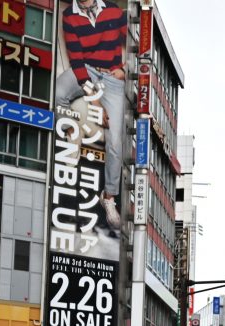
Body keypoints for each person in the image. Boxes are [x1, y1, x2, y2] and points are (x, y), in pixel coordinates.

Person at [56, 0, 128, 232]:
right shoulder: (70, 16)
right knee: (57, 93)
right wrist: (96, 101)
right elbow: (76, 61)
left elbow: (139, 46)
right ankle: (70, 132)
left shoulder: (115, 10)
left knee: (116, 142)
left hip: (112, 78)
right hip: (86, 71)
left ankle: (108, 197)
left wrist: (124, 69)